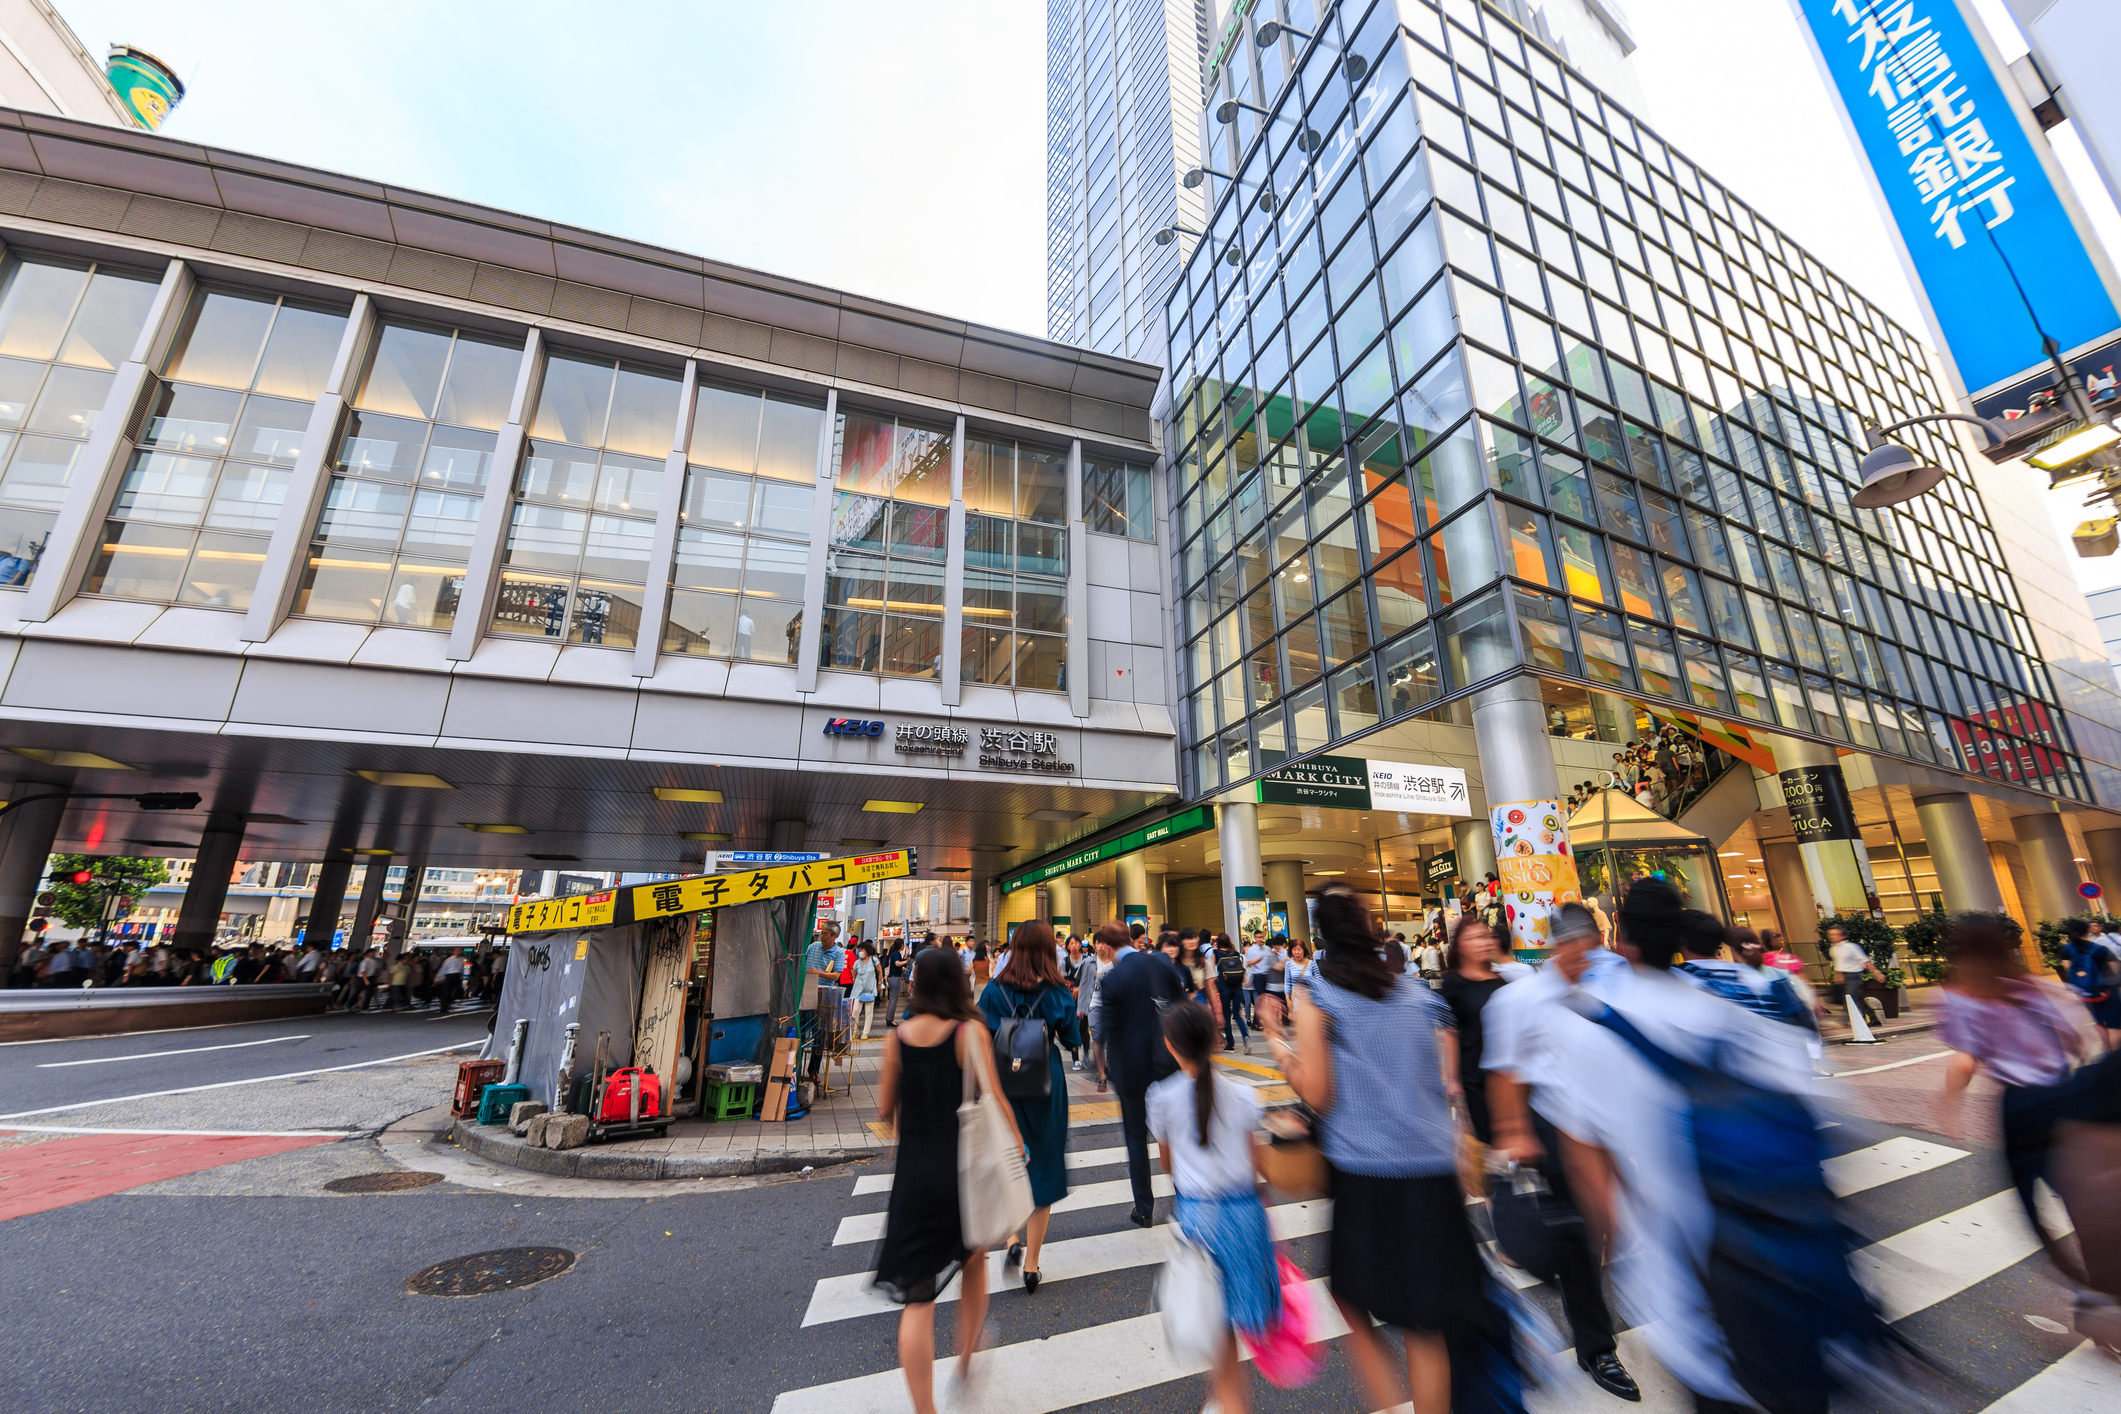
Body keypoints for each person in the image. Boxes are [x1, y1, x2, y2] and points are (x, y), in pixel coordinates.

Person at [1261, 885, 1495, 1414]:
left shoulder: (1318, 996)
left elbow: (1318, 1093)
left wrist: (1278, 1040)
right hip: (1432, 1172)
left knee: (1352, 1304)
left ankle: (1387, 1402)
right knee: (1425, 1324)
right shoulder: (1419, 995)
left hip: (1367, 1176)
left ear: (1321, 939)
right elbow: (1446, 1076)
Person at [872, 946, 1017, 1414]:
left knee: (918, 1301)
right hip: (963, 1175)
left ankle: (925, 1410)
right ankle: (965, 1360)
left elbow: (883, 1110)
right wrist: (1018, 1145)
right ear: (958, 983)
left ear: (916, 983)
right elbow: (994, 1096)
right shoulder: (968, 1031)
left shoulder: (897, 1038)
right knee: (973, 1262)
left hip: (914, 1179)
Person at [1149, 999, 1277, 1414]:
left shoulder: (1162, 1096)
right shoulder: (1243, 1094)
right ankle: (1224, 1397)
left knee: (1215, 1325)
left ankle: (1229, 1401)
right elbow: (1254, 1161)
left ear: (1171, 1046)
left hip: (1200, 1218)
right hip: (1244, 1214)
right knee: (1232, 1324)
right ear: (1215, 1040)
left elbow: (1167, 1163)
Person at [1936, 913, 2088, 1243]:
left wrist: (1949, 1110)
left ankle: (2081, 1277)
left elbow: (1964, 1062)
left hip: (2021, 1103)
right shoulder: (2032, 985)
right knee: (2077, 1183)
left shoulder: (1959, 996)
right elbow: (2073, 1036)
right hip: (2063, 1089)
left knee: (2029, 1193)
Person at [977, 920, 1078, 1293]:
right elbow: (1071, 1037)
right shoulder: (1056, 991)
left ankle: (1011, 1240)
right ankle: (1032, 1267)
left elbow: (980, 1034)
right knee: (1045, 1169)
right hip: (1045, 1084)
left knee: (1009, 1162)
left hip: (1004, 1083)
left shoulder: (993, 991)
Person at [1097, 917, 1191, 1227]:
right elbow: (1181, 1007)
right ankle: (1186, 1199)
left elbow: (1110, 1031)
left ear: (1109, 948)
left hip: (1131, 1070)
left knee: (1137, 1138)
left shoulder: (1113, 979)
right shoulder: (1162, 964)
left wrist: (1108, 1070)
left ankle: (1144, 1208)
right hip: (1169, 1063)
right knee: (1177, 1134)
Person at [1438, 918, 1528, 1146]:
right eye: (1474, 938)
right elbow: (1449, 1033)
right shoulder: (1453, 984)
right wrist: (1453, 1081)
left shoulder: (1503, 981)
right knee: (1486, 1144)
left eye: (1486, 936)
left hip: (1508, 1075)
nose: (1483, 942)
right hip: (1473, 1077)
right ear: (1459, 946)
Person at [2057, 916, 2121, 1051]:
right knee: (2115, 1026)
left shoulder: (2066, 949)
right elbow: (2116, 969)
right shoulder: (2100, 949)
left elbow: (2068, 969)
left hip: (2085, 992)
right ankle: (2117, 1059)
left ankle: (2108, 1053)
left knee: (2099, 1023)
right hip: (2107, 991)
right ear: (2088, 930)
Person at [1827, 923, 1884, 1029]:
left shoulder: (1851, 947)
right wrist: (1838, 976)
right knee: (1856, 998)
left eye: (1835, 934)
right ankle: (1873, 1018)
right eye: (1830, 934)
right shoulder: (1833, 949)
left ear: (1843, 936)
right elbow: (1838, 964)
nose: (1832, 936)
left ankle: (1852, 1020)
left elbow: (1865, 961)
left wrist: (1877, 973)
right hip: (1846, 976)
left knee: (1850, 997)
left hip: (1854, 975)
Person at [1176, 929, 1226, 1041]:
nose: (1192, 941)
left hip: (1199, 1006)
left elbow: (1210, 987)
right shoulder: (1174, 962)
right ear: (1181, 942)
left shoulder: (1203, 962)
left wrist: (1218, 1013)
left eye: (1194, 938)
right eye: (1188, 938)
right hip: (1179, 1006)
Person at [1212, 932, 1250, 1052]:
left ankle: (1230, 1044)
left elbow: (1212, 969)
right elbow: (1241, 968)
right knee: (1238, 1015)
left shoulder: (1216, 953)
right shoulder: (1236, 953)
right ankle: (1246, 1037)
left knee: (1227, 1015)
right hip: (1238, 987)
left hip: (1224, 987)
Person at [852, 941, 881, 1040]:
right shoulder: (857, 962)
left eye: (861, 950)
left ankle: (865, 1032)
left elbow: (880, 972)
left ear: (867, 950)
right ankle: (854, 1030)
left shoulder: (874, 960)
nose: (860, 952)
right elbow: (854, 974)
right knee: (855, 1010)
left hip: (870, 989)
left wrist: (879, 984)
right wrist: (855, 981)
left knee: (869, 1011)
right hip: (858, 989)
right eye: (859, 950)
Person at [881, 937, 909, 1027]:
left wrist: (903, 969)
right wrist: (906, 961)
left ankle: (888, 1018)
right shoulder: (896, 953)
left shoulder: (894, 953)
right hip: (894, 978)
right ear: (901, 945)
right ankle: (890, 1020)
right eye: (903, 944)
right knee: (894, 999)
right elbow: (897, 964)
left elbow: (894, 966)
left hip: (892, 977)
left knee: (891, 999)